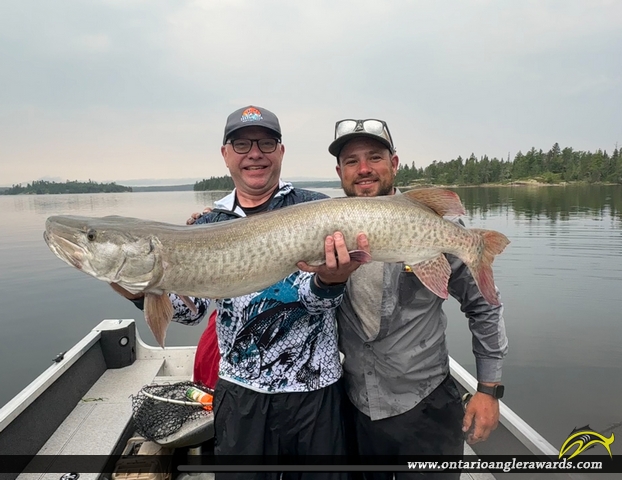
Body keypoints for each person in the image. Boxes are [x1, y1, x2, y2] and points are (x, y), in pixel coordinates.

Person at [114, 106, 366, 480]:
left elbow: (318, 305)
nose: (255, 153)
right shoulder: (206, 223)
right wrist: (135, 289)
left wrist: (331, 281)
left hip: (315, 389)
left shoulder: (318, 210)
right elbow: (192, 311)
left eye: (266, 143)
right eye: (242, 143)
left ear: (280, 152)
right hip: (241, 392)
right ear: (226, 154)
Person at [300, 119, 508, 479]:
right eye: (351, 161)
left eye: (375, 157)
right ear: (339, 172)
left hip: (425, 406)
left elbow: (483, 307)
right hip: (358, 405)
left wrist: (489, 389)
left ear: (394, 164)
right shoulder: (324, 229)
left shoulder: (430, 222)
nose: (363, 169)